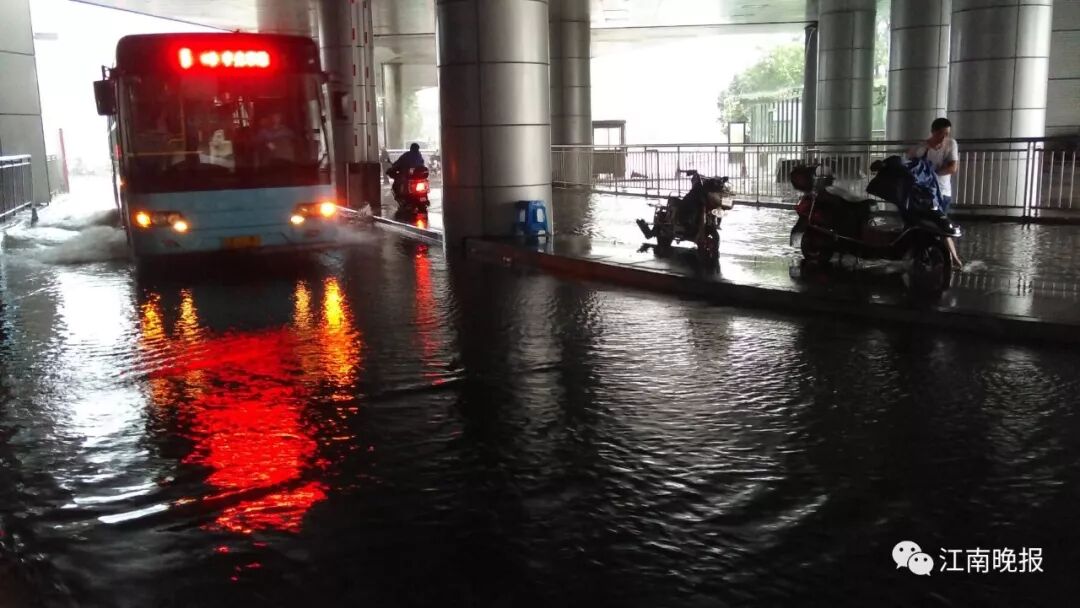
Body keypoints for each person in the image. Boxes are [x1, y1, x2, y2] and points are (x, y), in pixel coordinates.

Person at [908, 117, 962, 268]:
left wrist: (931, 174)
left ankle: (952, 259)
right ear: (933, 132)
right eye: (941, 134)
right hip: (925, 194)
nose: (944, 138)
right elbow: (910, 159)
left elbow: (952, 167)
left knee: (942, 226)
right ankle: (944, 258)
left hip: (943, 193)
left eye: (947, 134)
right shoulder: (923, 148)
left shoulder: (951, 144)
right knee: (928, 226)